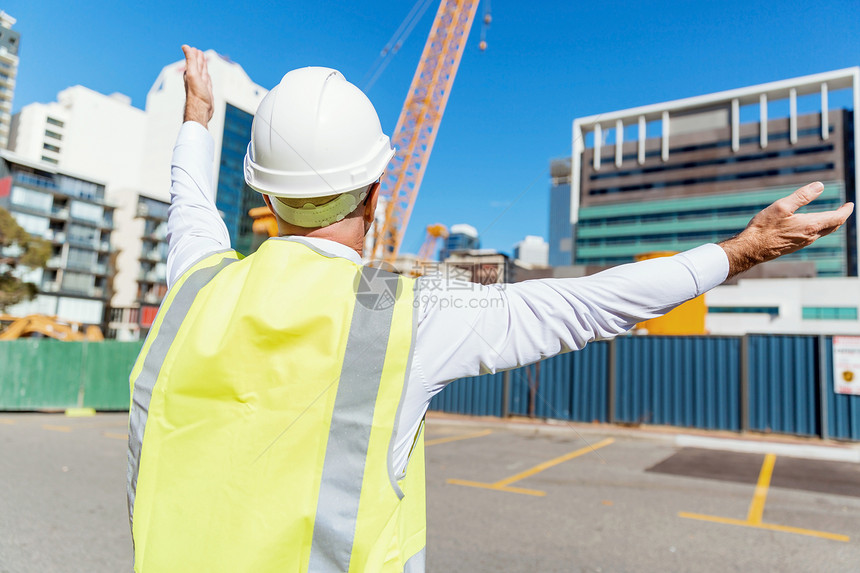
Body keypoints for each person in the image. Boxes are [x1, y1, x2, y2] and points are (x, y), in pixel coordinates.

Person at [126, 45, 853, 572]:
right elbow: (583, 304)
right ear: (379, 194)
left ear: (265, 196)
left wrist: (196, 118)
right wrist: (739, 250)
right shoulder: (401, 310)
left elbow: (189, 206)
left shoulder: (197, 286)